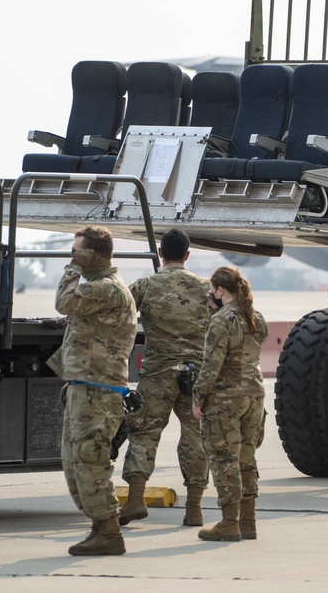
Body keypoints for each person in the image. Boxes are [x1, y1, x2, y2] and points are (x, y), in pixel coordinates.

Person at [49, 226, 137, 556]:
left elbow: (63, 302)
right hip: (85, 385)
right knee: (75, 463)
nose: (71, 256)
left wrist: (72, 270)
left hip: (99, 391)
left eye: (76, 251)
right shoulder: (98, 289)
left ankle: (109, 531)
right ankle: (100, 527)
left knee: (90, 461)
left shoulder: (107, 289)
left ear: (91, 255)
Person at [120, 229, 212, 527]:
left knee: (143, 433)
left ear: (161, 253)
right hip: (197, 375)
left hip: (158, 374)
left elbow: (117, 313)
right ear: (187, 255)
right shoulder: (208, 289)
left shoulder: (146, 286)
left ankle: (135, 500)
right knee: (195, 437)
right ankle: (194, 508)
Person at [191, 266, 268, 542]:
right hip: (254, 397)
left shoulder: (221, 320)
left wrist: (198, 397)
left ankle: (228, 523)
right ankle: (248, 522)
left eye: (213, 290)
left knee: (225, 460)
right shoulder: (255, 317)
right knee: (246, 459)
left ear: (220, 290)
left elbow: (212, 365)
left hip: (226, 400)